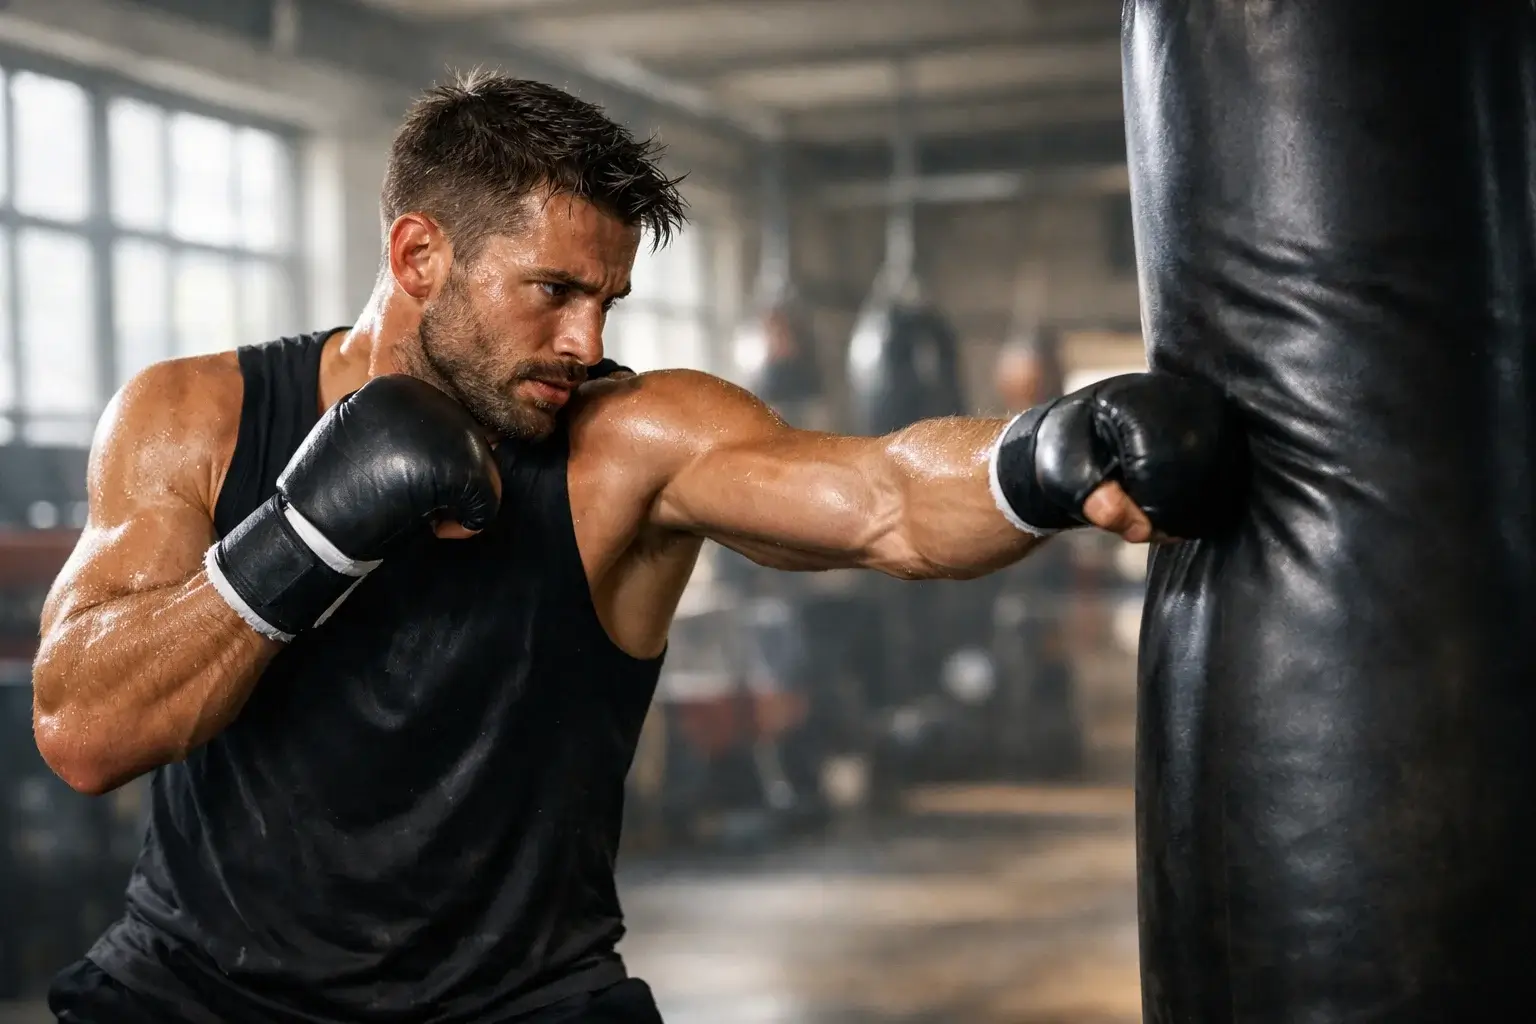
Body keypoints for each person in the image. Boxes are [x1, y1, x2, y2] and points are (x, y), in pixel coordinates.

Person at [30, 73, 1242, 1024]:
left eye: (608, 299)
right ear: (417, 258)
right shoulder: (196, 414)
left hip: (520, 1002)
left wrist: (1045, 457)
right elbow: (82, 731)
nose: (584, 336)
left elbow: (882, 499)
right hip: (196, 990)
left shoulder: (630, 438)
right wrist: (307, 532)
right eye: (553, 290)